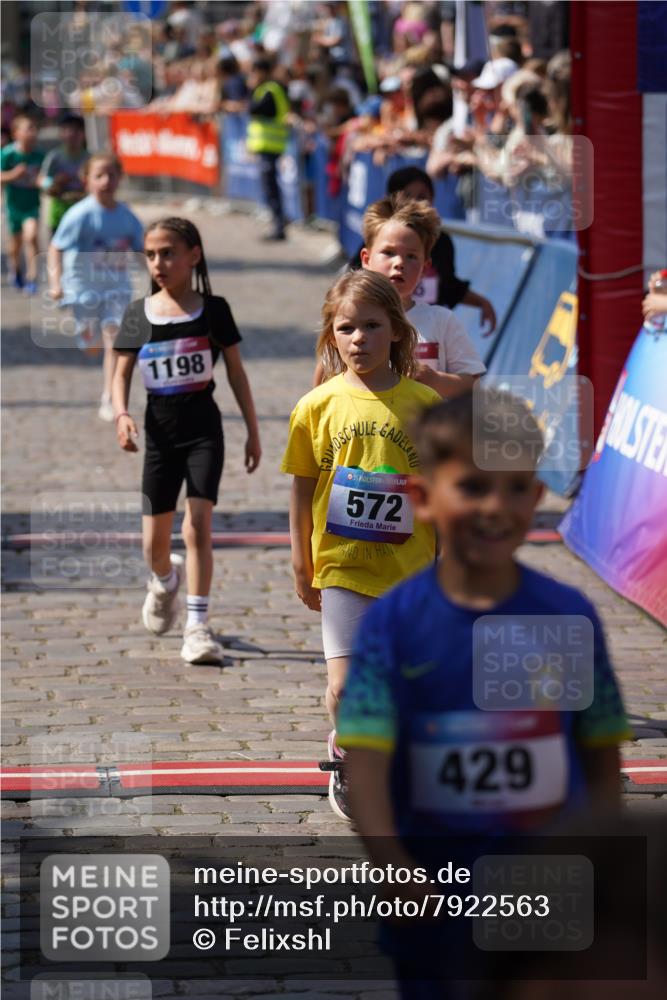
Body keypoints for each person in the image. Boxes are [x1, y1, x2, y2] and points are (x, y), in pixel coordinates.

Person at [338, 388, 631, 994]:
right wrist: (394, 869)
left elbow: (600, 752)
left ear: (538, 496)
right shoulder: (394, 625)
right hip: (431, 902)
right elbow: (366, 764)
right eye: (473, 486)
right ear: (421, 498)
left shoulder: (566, 616)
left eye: (516, 486)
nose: (497, 506)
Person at [281, 270, 440, 819]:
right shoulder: (315, 407)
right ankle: (346, 748)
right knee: (346, 686)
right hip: (343, 568)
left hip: (411, 571)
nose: (359, 339)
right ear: (331, 336)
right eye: (346, 328)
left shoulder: (423, 405)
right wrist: (302, 562)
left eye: (372, 326)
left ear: (396, 331)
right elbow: (302, 489)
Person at [112, 217, 261, 664]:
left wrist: (253, 429)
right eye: (151, 255)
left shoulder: (215, 311)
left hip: (203, 432)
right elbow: (121, 372)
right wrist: (121, 413)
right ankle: (164, 580)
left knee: (198, 525)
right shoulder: (139, 314)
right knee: (153, 545)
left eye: (169, 253)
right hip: (159, 434)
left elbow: (235, 372)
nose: (159, 263)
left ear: (194, 255)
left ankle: (197, 625)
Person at [47, 153, 144, 421]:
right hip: (82, 289)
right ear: (86, 180)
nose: (106, 181)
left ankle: (110, 398)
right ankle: (88, 340)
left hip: (117, 288)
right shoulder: (80, 215)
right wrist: (56, 282)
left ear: (120, 179)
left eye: (111, 175)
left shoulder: (127, 217)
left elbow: (143, 250)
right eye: (99, 176)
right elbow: (56, 247)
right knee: (91, 344)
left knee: (115, 340)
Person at [360, 195, 486, 397]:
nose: (399, 263)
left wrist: (435, 380)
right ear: (366, 259)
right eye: (389, 252)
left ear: (425, 267)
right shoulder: (349, 319)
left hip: (425, 427)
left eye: (411, 256)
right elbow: (324, 384)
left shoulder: (442, 321)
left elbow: (474, 384)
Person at [351, 167, 497, 328]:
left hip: (426, 333)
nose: (414, 203)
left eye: (422, 197)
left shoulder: (441, 242)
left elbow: (449, 287)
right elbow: (352, 282)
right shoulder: (379, 238)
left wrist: (481, 302)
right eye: (389, 253)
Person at [246, 56, 289, 241]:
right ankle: (277, 224)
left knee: (272, 189)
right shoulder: (267, 89)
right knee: (270, 188)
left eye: (255, 72)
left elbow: (255, 109)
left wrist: (251, 88)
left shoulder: (270, 90)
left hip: (271, 146)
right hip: (267, 147)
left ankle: (279, 227)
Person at [0, 113, 44, 293]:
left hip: (32, 205)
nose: (32, 133)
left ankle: (32, 277)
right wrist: (14, 175)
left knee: (32, 236)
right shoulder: (8, 154)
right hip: (13, 206)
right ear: (16, 133)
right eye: (28, 129)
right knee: (15, 245)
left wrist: (44, 183)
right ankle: (15, 269)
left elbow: (43, 178)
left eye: (34, 129)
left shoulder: (39, 156)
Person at [39, 113, 89, 236]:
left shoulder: (89, 158)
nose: (72, 134)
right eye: (68, 130)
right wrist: (54, 182)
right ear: (61, 134)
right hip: (59, 211)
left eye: (77, 130)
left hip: (83, 210)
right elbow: (41, 179)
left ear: (83, 134)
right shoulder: (54, 157)